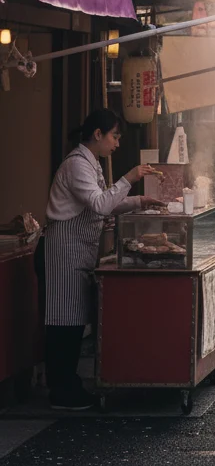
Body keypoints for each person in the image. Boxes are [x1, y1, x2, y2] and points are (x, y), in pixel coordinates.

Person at [44, 109, 163, 409]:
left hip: (79, 250)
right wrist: (129, 177)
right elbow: (99, 205)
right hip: (63, 250)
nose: (117, 144)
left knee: (73, 321)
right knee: (63, 322)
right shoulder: (76, 165)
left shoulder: (90, 162)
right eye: (115, 136)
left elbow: (106, 202)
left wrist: (139, 201)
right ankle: (60, 390)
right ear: (98, 134)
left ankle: (68, 384)